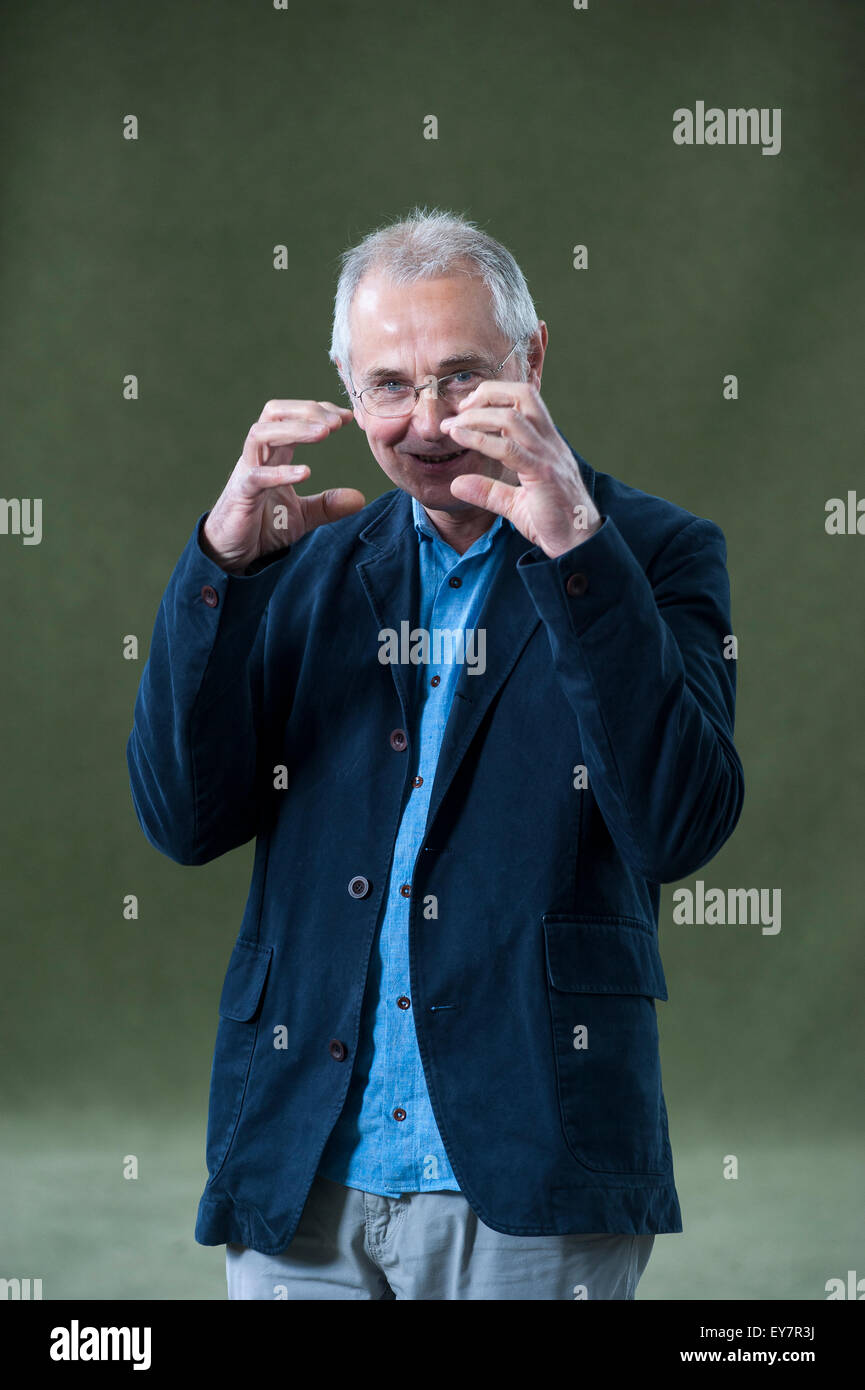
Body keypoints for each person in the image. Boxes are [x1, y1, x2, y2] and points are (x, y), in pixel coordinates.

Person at [126, 207, 744, 1300]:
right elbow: (183, 818)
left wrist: (573, 554)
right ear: (344, 385)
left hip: (536, 1170)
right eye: (387, 385)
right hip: (299, 1169)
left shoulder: (654, 551)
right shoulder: (302, 560)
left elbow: (680, 822)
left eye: (460, 378)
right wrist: (221, 569)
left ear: (533, 356)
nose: (425, 420)